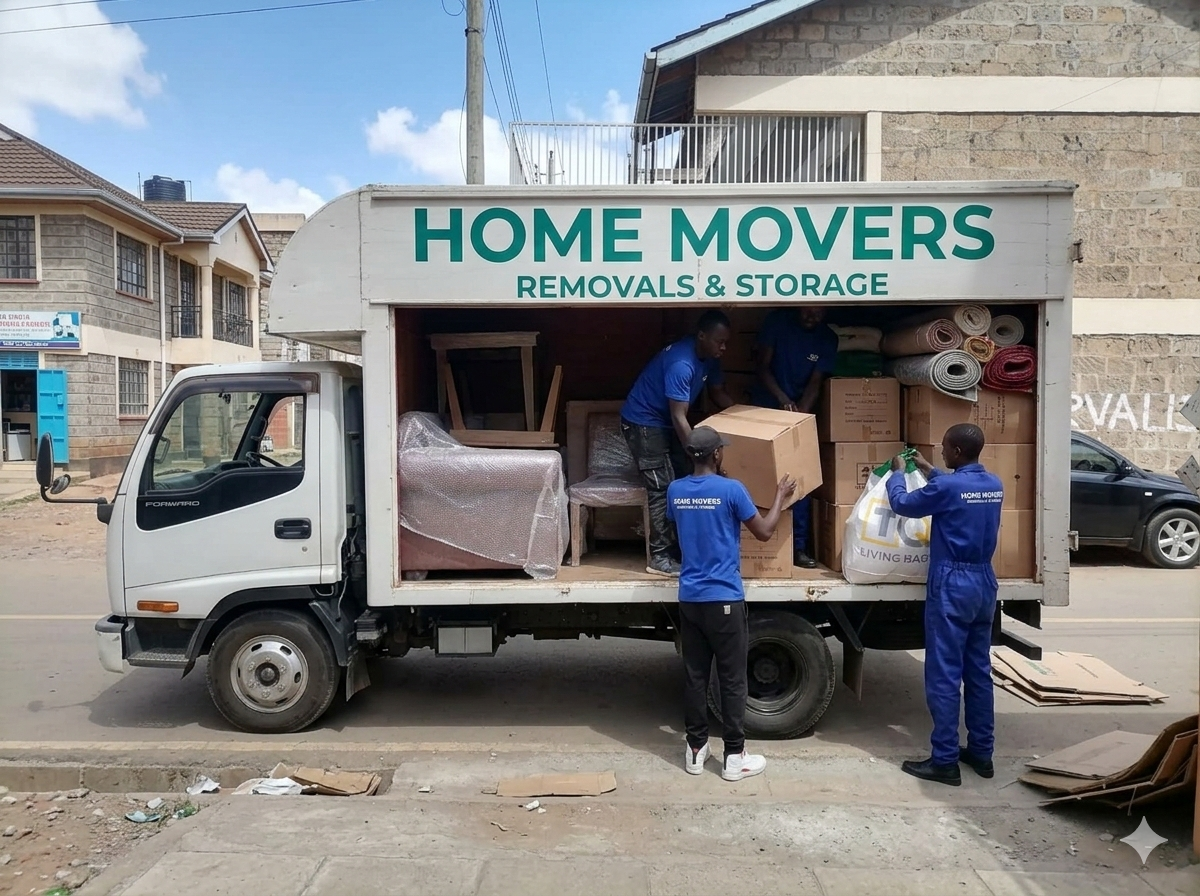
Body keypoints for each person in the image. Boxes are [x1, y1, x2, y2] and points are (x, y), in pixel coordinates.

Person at [667, 426, 796, 781]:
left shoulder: (675, 491)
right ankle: (734, 756)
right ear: (717, 454)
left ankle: (695, 750)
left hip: (690, 597)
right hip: (724, 596)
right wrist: (780, 496)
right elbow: (765, 531)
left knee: (695, 675)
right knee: (732, 679)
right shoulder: (732, 490)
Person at [885, 423, 1004, 786]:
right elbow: (954, 490)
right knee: (978, 672)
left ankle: (945, 760)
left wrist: (898, 475)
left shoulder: (949, 487)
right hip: (984, 581)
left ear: (955, 451)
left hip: (953, 583)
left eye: (943, 447)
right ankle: (982, 754)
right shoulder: (993, 484)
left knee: (944, 674)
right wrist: (926, 468)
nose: (939, 449)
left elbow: (903, 504)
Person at [621, 310, 735, 577]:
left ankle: (681, 549)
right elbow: (678, 416)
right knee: (662, 487)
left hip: (665, 423)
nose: (724, 347)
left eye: (726, 342)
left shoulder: (709, 357)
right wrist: (701, 458)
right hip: (644, 423)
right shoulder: (681, 364)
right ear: (701, 336)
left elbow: (719, 394)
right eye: (719, 341)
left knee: (685, 480)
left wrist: (752, 418)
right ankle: (659, 557)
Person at [752, 305, 838, 569]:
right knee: (758, 478)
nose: (812, 318)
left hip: (798, 412)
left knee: (798, 480)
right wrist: (783, 401)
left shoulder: (827, 338)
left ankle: (798, 548)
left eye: (818, 314)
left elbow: (816, 382)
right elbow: (762, 367)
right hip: (767, 406)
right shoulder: (777, 322)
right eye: (808, 312)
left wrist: (799, 415)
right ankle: (753, 548)